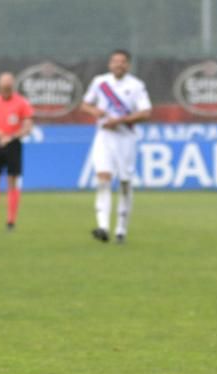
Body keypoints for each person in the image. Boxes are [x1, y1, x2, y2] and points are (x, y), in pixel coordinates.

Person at [80, 50, 152, 245]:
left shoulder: (136, 85)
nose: (118, 65)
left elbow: (146, 112)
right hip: (104, 137)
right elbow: (85, 104)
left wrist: (121, 120)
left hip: (125, 139)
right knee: (103, 179)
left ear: (128, 65)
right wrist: (94, 110)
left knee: (125, 183)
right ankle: (103, 226)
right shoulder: (100, 82)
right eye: (115, 61)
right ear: (110, 64)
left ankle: (121, 229)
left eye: (122, 62)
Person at [0, 72, 34, 232]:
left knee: (12, 181)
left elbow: (28, 126)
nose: (5, 89)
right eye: (3, 86)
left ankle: (10, 222)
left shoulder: (22, 103)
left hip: (13, 144)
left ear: (12, 86)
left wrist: (11, 136)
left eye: (8, 86)